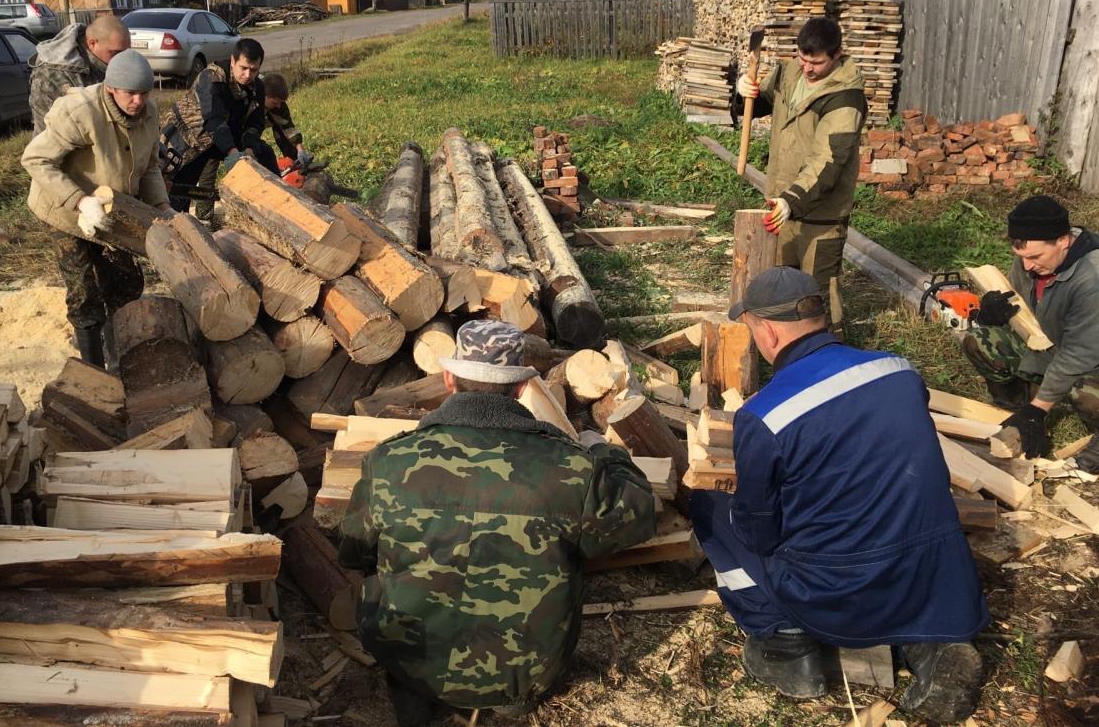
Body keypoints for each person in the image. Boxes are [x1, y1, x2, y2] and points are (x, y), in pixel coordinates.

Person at [691, 267, 989, 723]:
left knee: (709, 509)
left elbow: (758, 532)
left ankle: (786, 641)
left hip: (839, 596)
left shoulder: (766, 414)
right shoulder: (900, 371)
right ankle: (933, 641)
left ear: (767, 332)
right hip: (932, 577)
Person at [338, 320, 656, 725]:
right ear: (521, 387)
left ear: (449, 378)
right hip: (527, 670)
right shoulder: (572, 468)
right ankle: (512, 698)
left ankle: (417, 689)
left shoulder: (390, 460)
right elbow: (637, 518)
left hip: (408, 659)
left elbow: (352, 551)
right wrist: (606, 454)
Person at [22, 49, 173, 368]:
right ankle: (93, 370)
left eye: (144, 93)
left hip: (112, 208)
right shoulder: (80, 111)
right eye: (131, 94)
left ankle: (121, 356)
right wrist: (80, 200)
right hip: (65, 210)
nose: (138, 101)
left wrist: (162, 207)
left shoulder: (149, 113)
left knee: (127, 283)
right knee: (84, 291)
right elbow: (36, 159)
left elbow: (149, 167)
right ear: (110, 89)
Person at [736, 17, 867, 336]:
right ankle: (787, 350)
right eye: (803, 58)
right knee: (782, 286)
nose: (807, 68)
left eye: (816, 62)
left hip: (819, 216)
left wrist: (791, 201)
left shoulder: (846, 98)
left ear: (836, 55)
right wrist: (744, 93)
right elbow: (761, 103)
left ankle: (829, 359)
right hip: (781, 205)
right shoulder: (788, 72)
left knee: (816, 296)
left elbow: (828, 161)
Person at [963, 195, 1099, 470]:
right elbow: (1023, 310)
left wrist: (1038, 410)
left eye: (1035, 257)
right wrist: (991, 316)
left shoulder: (1092, 278)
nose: (1026, 266)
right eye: (1020, 257)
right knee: (981, 342)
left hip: (1090, 357)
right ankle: (1014, 412)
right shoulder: (1033, 260)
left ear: (1063, 240)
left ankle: (1036, 413)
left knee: (1085, 392)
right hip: (1054, 346)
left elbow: (1079, 355)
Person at [159, 37, 277, 221]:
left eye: (254, 70)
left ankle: (278, 206)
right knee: (180, 188)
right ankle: (176, 224)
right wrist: (232, 152)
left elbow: (255, 123)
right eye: (243, 68)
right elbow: (213, 120)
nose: (248, 75)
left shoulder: (257, 87)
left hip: (222, 136)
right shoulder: (212, 77)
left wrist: (249, 149)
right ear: (233, 61)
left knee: (265, 154)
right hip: (188, 138)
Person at [28, 14, 132, 135]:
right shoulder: (52, 73)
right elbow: (49, 133)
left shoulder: (110, 62)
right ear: (92, 43)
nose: (122, 59)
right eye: (115, 53)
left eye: (125, 53)